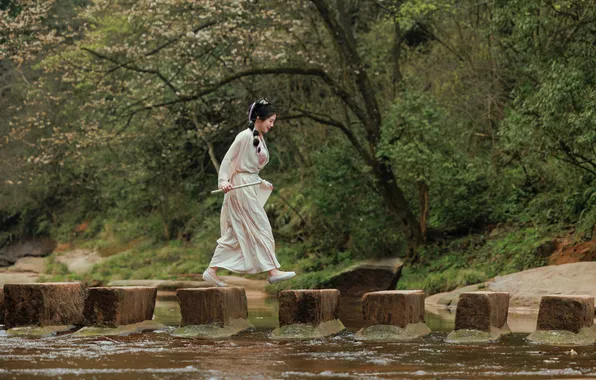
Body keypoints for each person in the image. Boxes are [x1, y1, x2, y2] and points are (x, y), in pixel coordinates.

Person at [202, 98, 296, 287]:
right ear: (259, 118)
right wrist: (223, 181)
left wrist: (260, 182)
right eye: (271, 121)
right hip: (240, 187)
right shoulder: (244, 136)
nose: (272, 125)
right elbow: (229, 160)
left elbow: (250, 168)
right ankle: (272, 271)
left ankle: (211, 270)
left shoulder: (258, 137)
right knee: (261, 226)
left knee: (238, 232)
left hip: (249, 185)